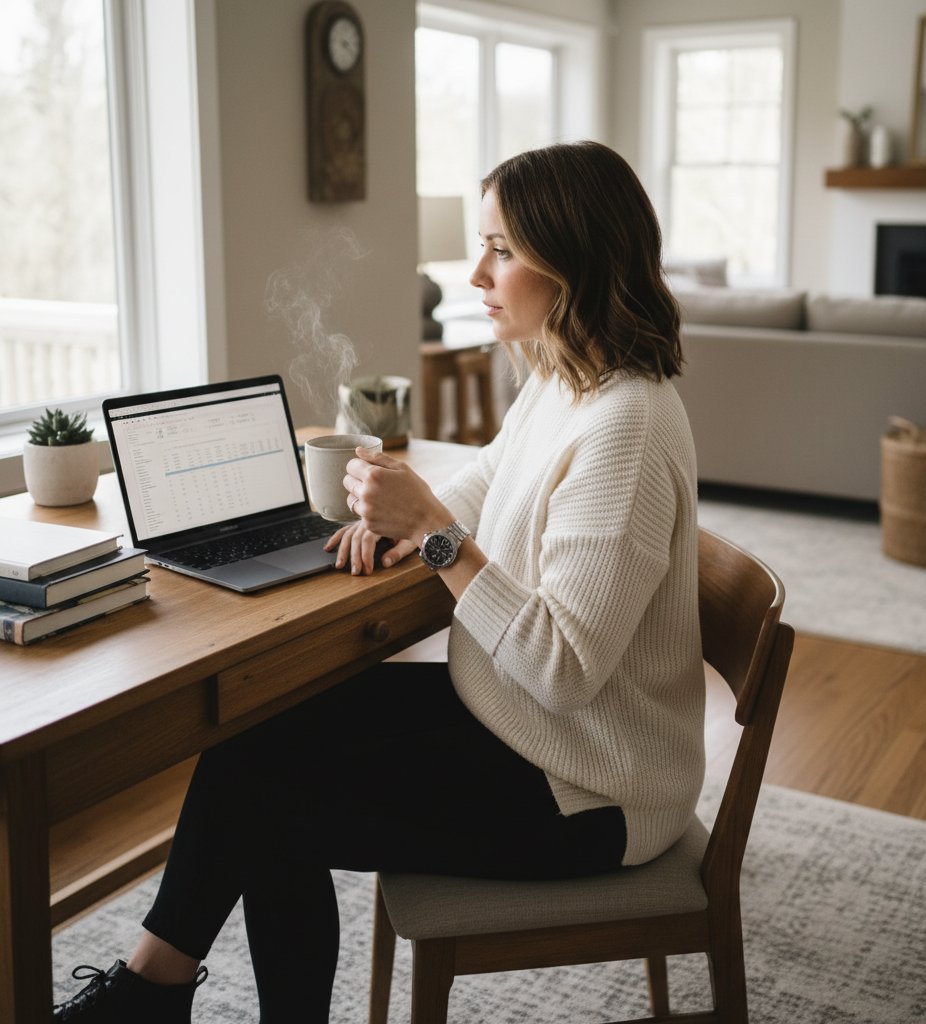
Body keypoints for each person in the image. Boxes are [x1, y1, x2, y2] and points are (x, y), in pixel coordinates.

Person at [53, 140, 705, 1023]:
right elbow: (491, 478)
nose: (477, 271)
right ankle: (151, 988)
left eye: (504, 250)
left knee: (270, 808)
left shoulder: (625, 425)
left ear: (576, 261)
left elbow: (563, 668)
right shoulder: (565, 378)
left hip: (591, 786)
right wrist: (392, 517)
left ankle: (146, 994)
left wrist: (433, 535)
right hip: (523, 728)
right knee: (256, 729)